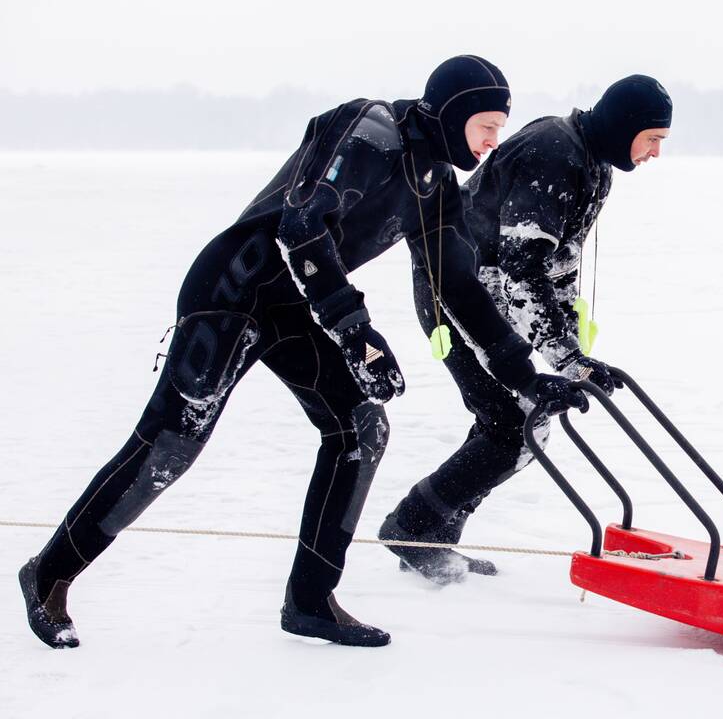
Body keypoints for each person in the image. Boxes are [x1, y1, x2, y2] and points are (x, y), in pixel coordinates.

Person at [18, 55, 586, 649]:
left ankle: (311, 600)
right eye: (486, 126)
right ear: (451, 113)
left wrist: (526, 376)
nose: (494, 142)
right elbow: (301, 226)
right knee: (169, 446)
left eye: (500, 129)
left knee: (360, 430)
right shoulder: (369, 131)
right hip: (234, 292)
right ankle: (49, 574)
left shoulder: (434, 183)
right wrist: (356, 329)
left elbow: (459, 286)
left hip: (294, 309)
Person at [378, 75, 672, 584]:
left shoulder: (592, 163)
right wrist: (561, 358)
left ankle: (427, 538)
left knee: (511, 422)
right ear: (627, 126)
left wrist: (573, 357)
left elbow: (557, 269)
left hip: (484, 288)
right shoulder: (555, 153)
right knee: (514, 427)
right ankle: (414, 529)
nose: (654, 153)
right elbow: (521, 265)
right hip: (457, 291)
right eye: (653, 138)